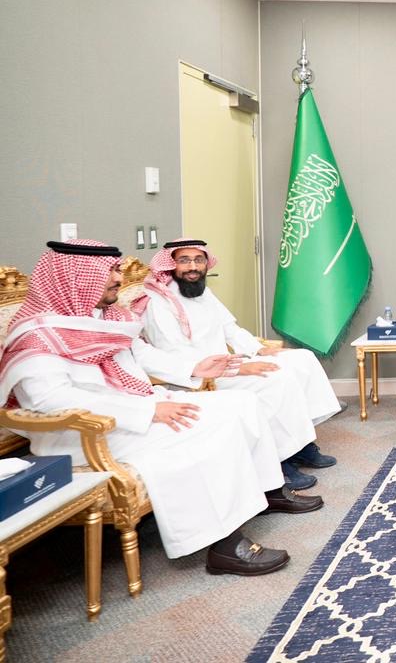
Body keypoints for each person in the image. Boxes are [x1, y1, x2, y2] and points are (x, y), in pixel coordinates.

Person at [0, 241, 321, 576]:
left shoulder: (103, 316)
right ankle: (225, 546)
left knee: (243, 402)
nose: (118, 278)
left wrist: (195, 368)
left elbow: (141, 355)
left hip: (134, 406)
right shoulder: (38, 335)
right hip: (84, 434)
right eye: (109, 272)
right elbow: (50, 400)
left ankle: (268, 491)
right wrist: (147, 411)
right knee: (209, 426)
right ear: (77, 279)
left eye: (116, 269)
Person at [134, 238, 342, 490]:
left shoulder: (203, 292)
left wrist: (259, 349)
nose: (193, 267)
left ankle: (301, 444)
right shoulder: (158, 302)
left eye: (198, 260)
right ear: (170, 264)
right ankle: (280, 460)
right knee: (276, 380)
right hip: (198, 377)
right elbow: (175, 355)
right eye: (184, 261)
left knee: (301, 358)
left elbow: (230, 329)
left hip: (227, 364)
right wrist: (237, 369)